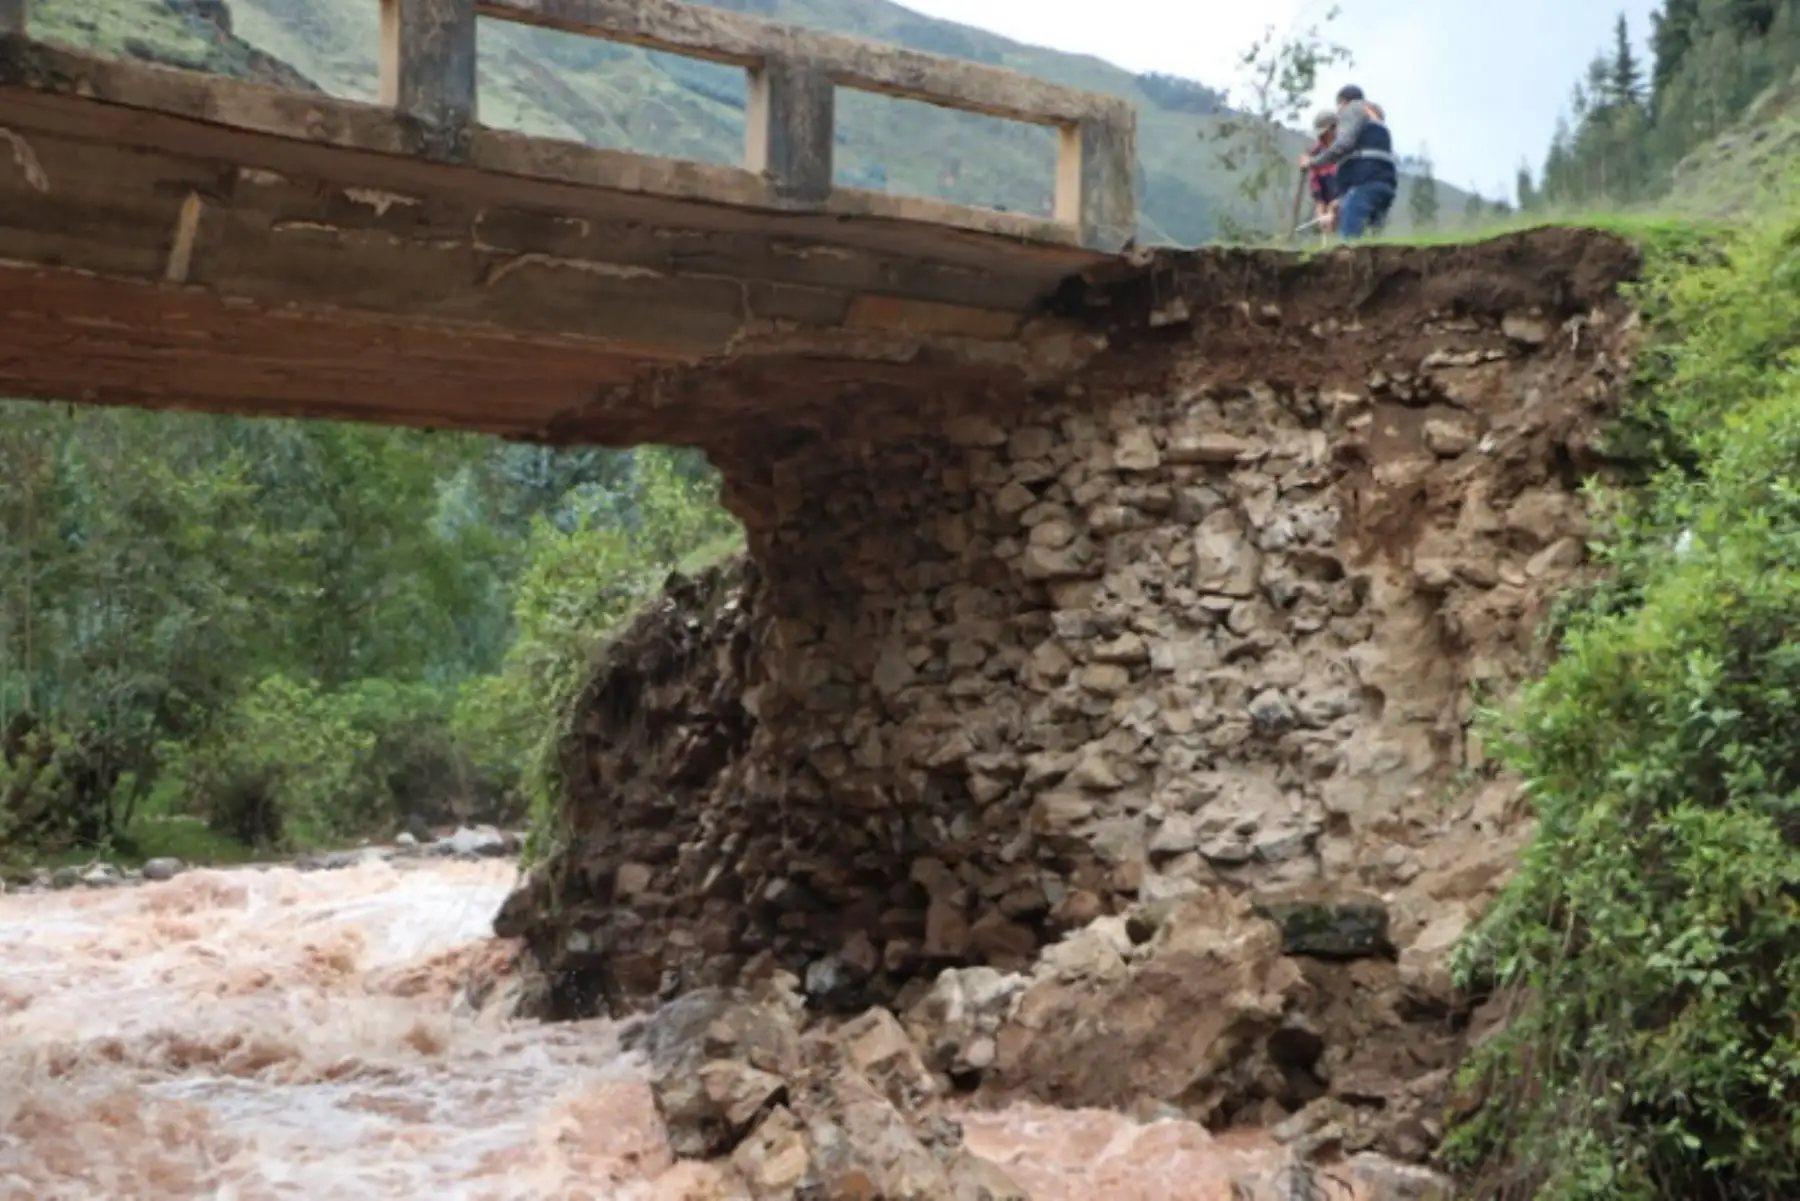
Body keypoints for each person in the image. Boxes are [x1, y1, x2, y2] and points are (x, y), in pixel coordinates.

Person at [1300, 85, 1397, 239]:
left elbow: (1343, 145)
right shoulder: (1375, 117)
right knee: (1372, 240)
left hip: (1364, 182)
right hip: (1386, 183)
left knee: (1348, 240)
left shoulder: (1352, 109)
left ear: (1343, 102)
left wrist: (1313, 162)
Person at [1305, 110, 1341, 235]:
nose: (1323, 137)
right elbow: (1316, 190)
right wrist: (1321, 214)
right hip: (1328, 203)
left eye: (1326, 133)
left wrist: (1335, 207)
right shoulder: (1314, 153)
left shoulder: (1349, 150)